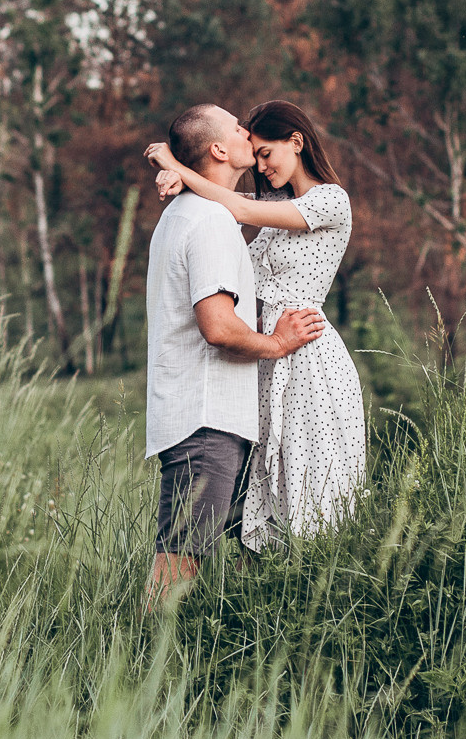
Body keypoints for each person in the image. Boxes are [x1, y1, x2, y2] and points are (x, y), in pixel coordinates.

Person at [146, 100, 365, 550]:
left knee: (308, 487)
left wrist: (174, 165)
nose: (261, 167)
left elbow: (233, 207)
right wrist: (177, 174)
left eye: (267, 154)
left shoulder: (330, 201)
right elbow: (218, 195)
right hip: (266, 353)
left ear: (296, 142)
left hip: (304, 352)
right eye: (256, 155)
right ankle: (262, 588)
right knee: (257, 495)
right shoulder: (276, 203)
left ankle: (319, 578)